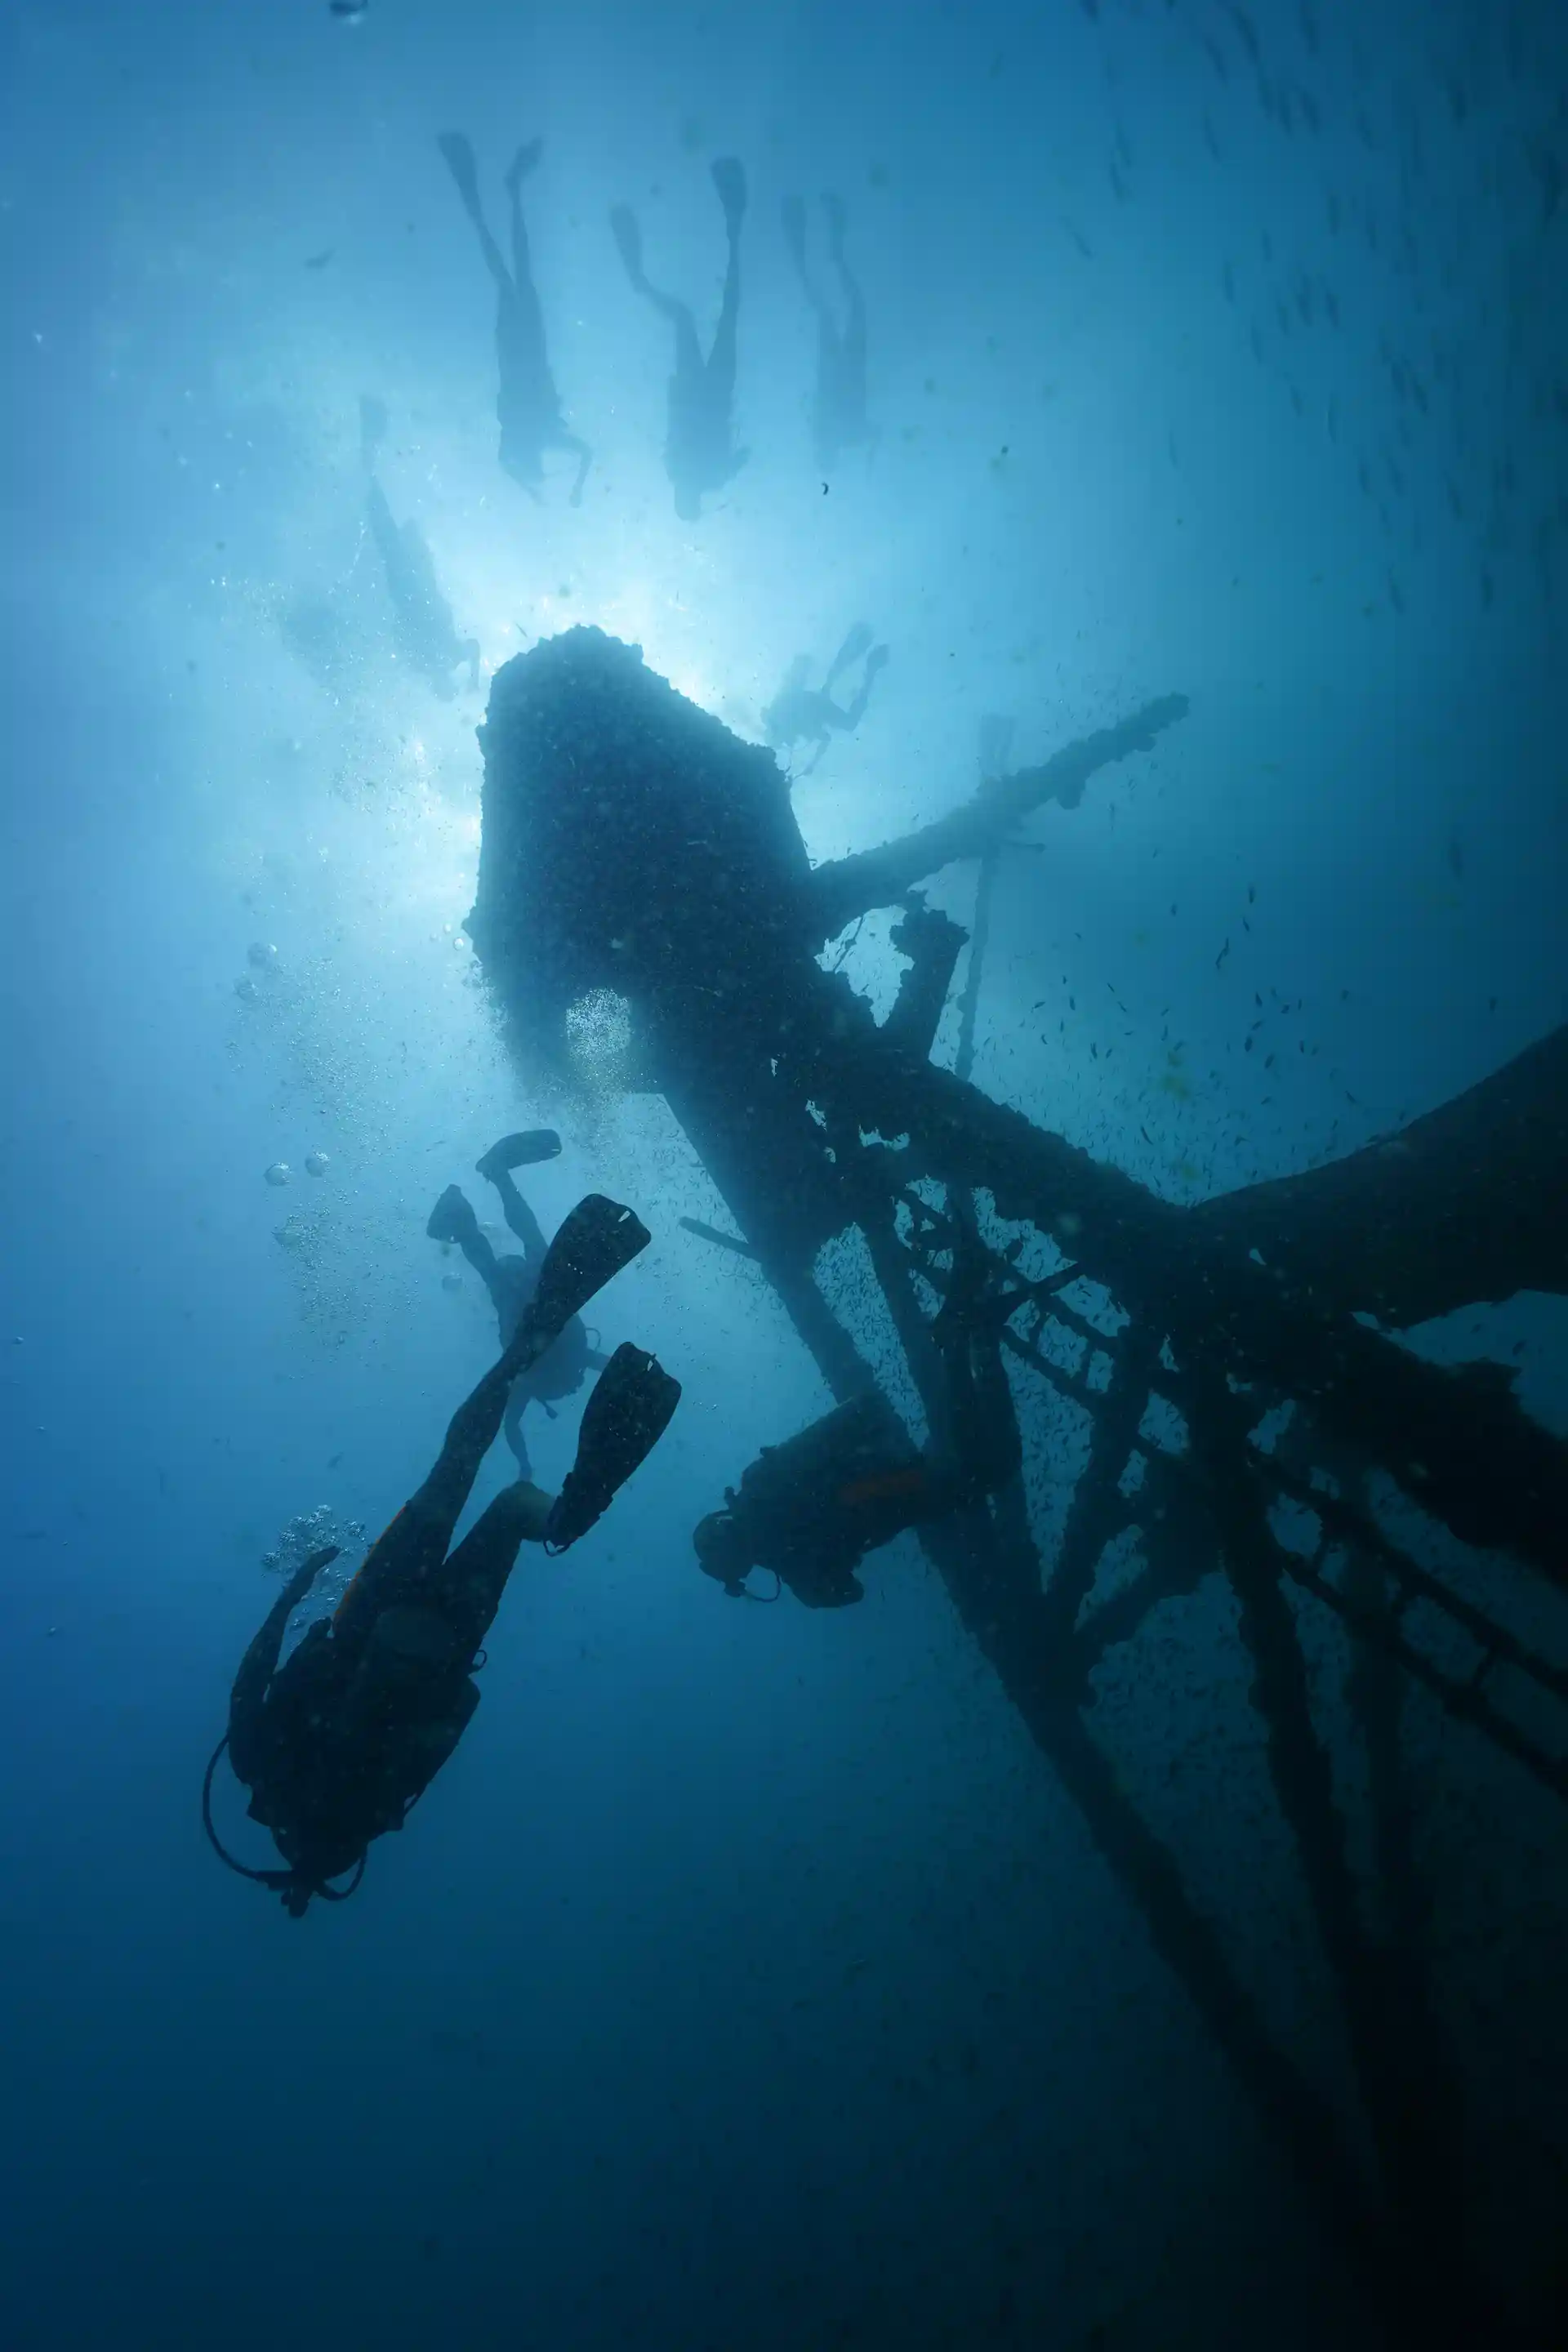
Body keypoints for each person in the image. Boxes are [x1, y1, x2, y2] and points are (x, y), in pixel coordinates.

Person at [207, 1192, 679, 1918]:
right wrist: (291, 1595)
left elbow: (446, 1722)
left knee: (514, 1510)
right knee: (457, 1460)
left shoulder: (367, 1810)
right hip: (370, 1611)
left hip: (443, 1644)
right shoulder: (254, 1763)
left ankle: (567, 1515)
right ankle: (527, 1345)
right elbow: (251, 1677)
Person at [693, 1252, 1022, 1606]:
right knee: (965, 1441)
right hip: (888, 1462)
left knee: (995, 1466)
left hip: (908, 1488)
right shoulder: (757, 1483)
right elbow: (818, 1440)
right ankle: (967, 1337)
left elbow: (850, 1592)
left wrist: (829, 1564)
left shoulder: (793, 1564)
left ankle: (969, 1340)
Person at [425, 1129, 608, 1477]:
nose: (575, 1386)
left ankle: (484, 1189)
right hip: (528, 1311)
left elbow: (511, 1425)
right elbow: (511, 1425)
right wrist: (524, 1464)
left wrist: (525, 1465)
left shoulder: (542, 1377)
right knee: (502, 1266)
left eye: (571, 1386)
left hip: (531, 1312)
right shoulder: (544, 1376)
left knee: (528, 1247)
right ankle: (467, 1213)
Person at [437, 131, 592, 506]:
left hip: (520, 346)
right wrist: (560, 489)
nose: (537, 461)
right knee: (517, 276)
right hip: (524, 346)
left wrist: (564, 487)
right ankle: (504, 196)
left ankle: (494, 202)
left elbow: (583, 454)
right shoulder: (532, 439)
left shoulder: (528, 439)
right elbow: (583, 452)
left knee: (514, 277)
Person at [610, 158, 749, 519]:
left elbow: (741, 456)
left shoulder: (709, 477)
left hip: (712, 390)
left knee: (723, 316)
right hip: (701, 388)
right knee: (693, 318)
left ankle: (734, 229)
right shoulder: (681, 472)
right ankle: (644, 284)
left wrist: (730, 468)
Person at [359, 395, 480, 698]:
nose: (440, 684)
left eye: (440, 689)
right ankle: (372, 463)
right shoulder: (447, 659)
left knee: (388, 533)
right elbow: (473, 646)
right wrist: (475, 679)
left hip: (407, 589)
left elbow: (398, 636)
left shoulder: (424, 665)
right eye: (445, 687)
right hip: (417, 586)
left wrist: (404, 625)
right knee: (397, 535)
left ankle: (370, 463)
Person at [781, 191, 874, 474]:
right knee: (840, 310)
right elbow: (870, 430)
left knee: (840, 310)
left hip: (842, 364)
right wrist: (871, 449)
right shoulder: (836, 435)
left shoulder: (841, 435)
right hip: (843, 364)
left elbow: (870, 430)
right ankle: (819, 250)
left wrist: (870, 450)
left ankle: (811, 249)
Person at [762, 622, 889, 773]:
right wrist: (812, 764)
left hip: (813, 706)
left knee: (846, 718)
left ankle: (867, 667)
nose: (788, 742)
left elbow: (823, 736)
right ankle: (864, 661)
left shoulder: (784, 719)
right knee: (838, 701)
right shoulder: (786, 721)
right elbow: (825, 737)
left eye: (782, 741)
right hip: (815, 706)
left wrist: (812, 764)